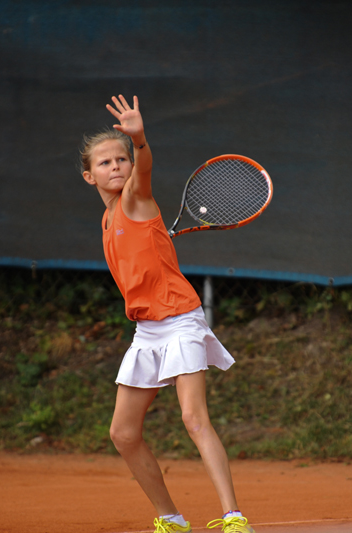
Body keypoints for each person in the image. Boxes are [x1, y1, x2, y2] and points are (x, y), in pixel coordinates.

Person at [80, 94, 255, 533]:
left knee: (194, 418)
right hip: (147, 330)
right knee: (123, 433)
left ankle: (234, 518)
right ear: (89, 176)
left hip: (180, 320)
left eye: (121, 159)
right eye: (105, 163)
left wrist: (139, 140)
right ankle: (172, 519)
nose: (116, 167)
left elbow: (144, 169)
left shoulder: (136, 199)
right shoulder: (108, 219)